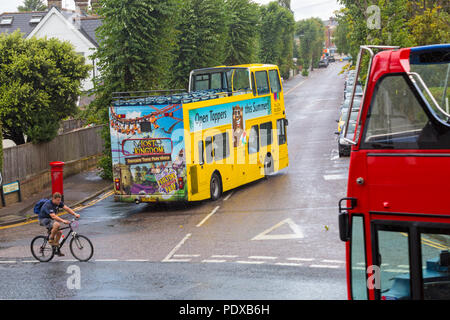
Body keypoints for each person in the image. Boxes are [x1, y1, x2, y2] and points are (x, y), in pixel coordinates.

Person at [38, 192, 80, 256]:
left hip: (50, 219)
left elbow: (67, 208)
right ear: (53, 199)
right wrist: (63, 220)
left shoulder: (58, 203)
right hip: (43, 219)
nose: (59, 202)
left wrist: (75, 214)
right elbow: (53, 216)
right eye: (57, 200)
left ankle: (56, 249)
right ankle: (51, 239)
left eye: (60, 200)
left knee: (60, 232)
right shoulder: (48, 205)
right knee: (57, 224)